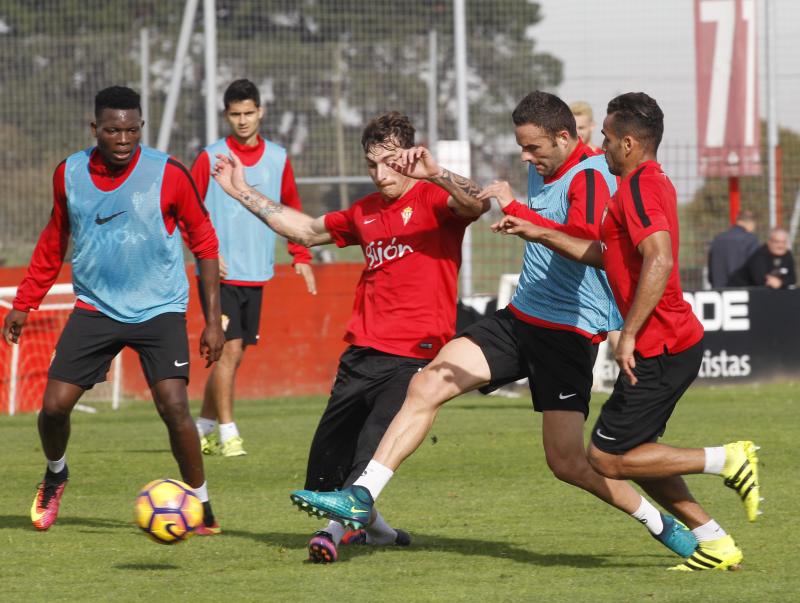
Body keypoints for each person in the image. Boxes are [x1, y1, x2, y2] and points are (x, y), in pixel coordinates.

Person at [288, 91, 700, 562]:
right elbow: (478, 201)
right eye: (522, 147)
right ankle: (362, 496)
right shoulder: (542, 164)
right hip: (519, 319)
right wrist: (439, 174)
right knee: (426, 384)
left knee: (568, 463)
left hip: (568, 333)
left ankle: (660, 523)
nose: (526, 157)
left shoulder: (590, 178)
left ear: (564, 138)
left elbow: (593, 247)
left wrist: (524, 218)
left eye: (534, 148)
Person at [493, 92, 761, 571]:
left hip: (662, 346)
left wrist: (631, 335)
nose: (602, 145)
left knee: (606, 458)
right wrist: (543, 233)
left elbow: (659, 258)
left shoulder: (639, 188)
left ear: (630, 143)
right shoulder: (642, 185)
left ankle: (727, 459)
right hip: (664, 344)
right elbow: (607, 255)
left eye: (608, 138)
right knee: (638, 454)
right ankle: (715, 542)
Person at [212, 112, 489, 563]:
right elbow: (303, 229)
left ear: (409, 155)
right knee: (328, 470)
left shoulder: (435, 200)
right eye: (371, 165)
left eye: (389, 162)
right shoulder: (364, 212)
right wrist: (240, 190)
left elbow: (477, 204)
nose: (380, 174)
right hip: (361, 352)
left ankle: (332, 531)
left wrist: (436, 173)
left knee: (370, 453)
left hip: (414, 356)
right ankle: (379, 531)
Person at [1, 86, 225, 534]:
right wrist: (25, 302)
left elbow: (204, 242)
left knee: (174, 405)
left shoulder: (169, 173)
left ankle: (200, 504)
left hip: (159, 307)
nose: (123, 139)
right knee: (53, 409)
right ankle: (56, 473)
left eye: (132, 130)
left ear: (141, 127)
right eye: (113, 130)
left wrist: (212, 320)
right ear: (95, 129)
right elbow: (53, 242)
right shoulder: (70, 173)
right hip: (95, 308)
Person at [191, 79, 315, 458]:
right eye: (235, 114)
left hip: (258, 272)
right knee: (228, 352)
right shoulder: (209, 157)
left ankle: (203, 427)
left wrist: (301, 257)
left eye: (248, 113)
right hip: (219, 275)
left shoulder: (277, 157)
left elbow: (289, 207)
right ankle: (229, 433)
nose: (242, 121)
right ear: (226, 116)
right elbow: (187, 209)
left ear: (260, 112)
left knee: (237, 353)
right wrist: (205, 254)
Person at [730, 227, 796, 289]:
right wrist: (773, 282)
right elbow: (759, 280)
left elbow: (793, 279)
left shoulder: (787, 255)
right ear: (769, 242)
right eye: (777, 242)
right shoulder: (759, 256)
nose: (780, 246)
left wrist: (781, 283)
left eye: (784, 242)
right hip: (741, 289)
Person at [707, 210, 759, 288]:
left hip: (719, 289)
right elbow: (754, 267)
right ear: (751, 223)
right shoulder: (750, 239)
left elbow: (710, 269)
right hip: (741, 289)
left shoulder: (718, 239)